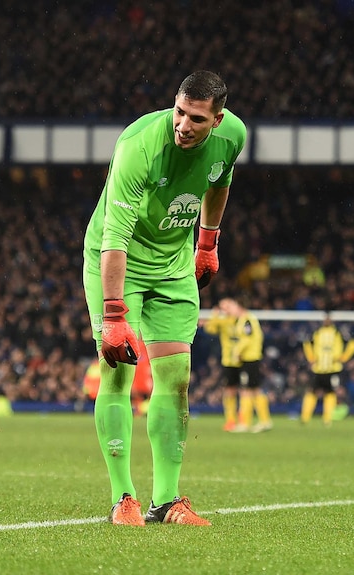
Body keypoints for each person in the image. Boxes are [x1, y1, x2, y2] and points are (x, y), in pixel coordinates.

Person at [82, 70, 246, 526]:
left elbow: (220, 181)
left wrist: (208, 242)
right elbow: (114, 237)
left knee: (176, 378)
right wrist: (114, 314)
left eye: (196, 118)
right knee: (118, 373)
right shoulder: (137, 146)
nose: (183, 125)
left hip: (173, 264)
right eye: (179, 112)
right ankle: (122, 498)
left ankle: (166, 501)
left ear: (218, 118)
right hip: (119, 261)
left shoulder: (233, 136)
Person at [220, 298, 270, 433]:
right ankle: (264, 421)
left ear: (239, 307)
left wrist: (237, 352)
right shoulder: (245, 320)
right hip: (250, 358)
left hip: (250, 359)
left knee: (248, 390)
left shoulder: (247, 320)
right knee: (254, 390)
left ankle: (246, 423)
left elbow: (247, 339)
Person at [301, 312, 354, 426]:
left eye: (329, 318)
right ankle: (305, 418)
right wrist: (311, 358)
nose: (326, 320)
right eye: (325, 318)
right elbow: (306, 343)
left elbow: (353, 344)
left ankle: (327, 419)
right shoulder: (317, 332)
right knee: (312, 392)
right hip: (318, 369)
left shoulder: (339, 332)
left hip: (333, 369)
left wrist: (343, 357)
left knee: (330, 393)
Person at [201, 298, 244, 431]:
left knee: (245, 391)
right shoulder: (223, 321)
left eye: (227, 306)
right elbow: (210, 329)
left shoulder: (244, 319)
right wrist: (214, 315)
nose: (225, 309)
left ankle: (244, 418)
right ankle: (231, 420)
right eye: (222, 307)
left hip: (245, 359)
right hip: (229, 361)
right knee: (230, 391)